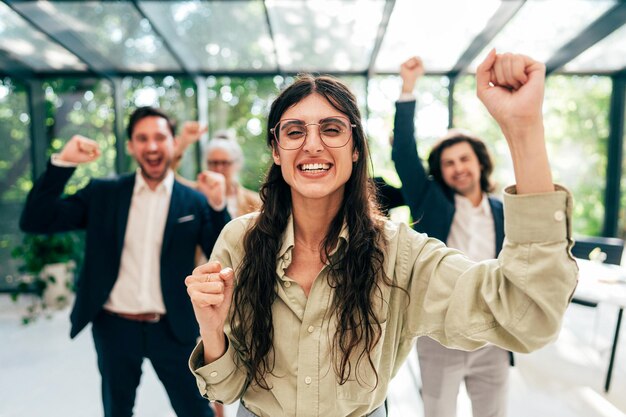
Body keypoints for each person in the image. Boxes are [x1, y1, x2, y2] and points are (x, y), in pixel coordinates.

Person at [185, 51, 578, 417]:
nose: (313, 145)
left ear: (356, 148)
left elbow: (528, 314)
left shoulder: (399, 253)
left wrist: (524, 130)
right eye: (294, 132)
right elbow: (226, 389)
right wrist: (211, 328)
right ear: (276, 150)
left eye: (332, 128)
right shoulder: (239, 241)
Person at [19, 107, 230, 417]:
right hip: (115, 327)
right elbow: (37, 219)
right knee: (117, 411)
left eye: (160, 137)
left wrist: (217, 207)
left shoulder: (194, 201)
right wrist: (63, 162)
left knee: (195, 411)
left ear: (173, 144)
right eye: (142, 138)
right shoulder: (104, 193)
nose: (152, 146)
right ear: (131, 146)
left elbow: (220, 258)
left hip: (173, 328)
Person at [392, 56, 510, 417]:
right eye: (449, 162)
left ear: (479, 162)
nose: (458, 168)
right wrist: (408, 88)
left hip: (493, 333)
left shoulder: (503, 208)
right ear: (440, 171)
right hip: (441, 331)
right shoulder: (432, 203)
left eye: (464, 159)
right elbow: (403, 154)